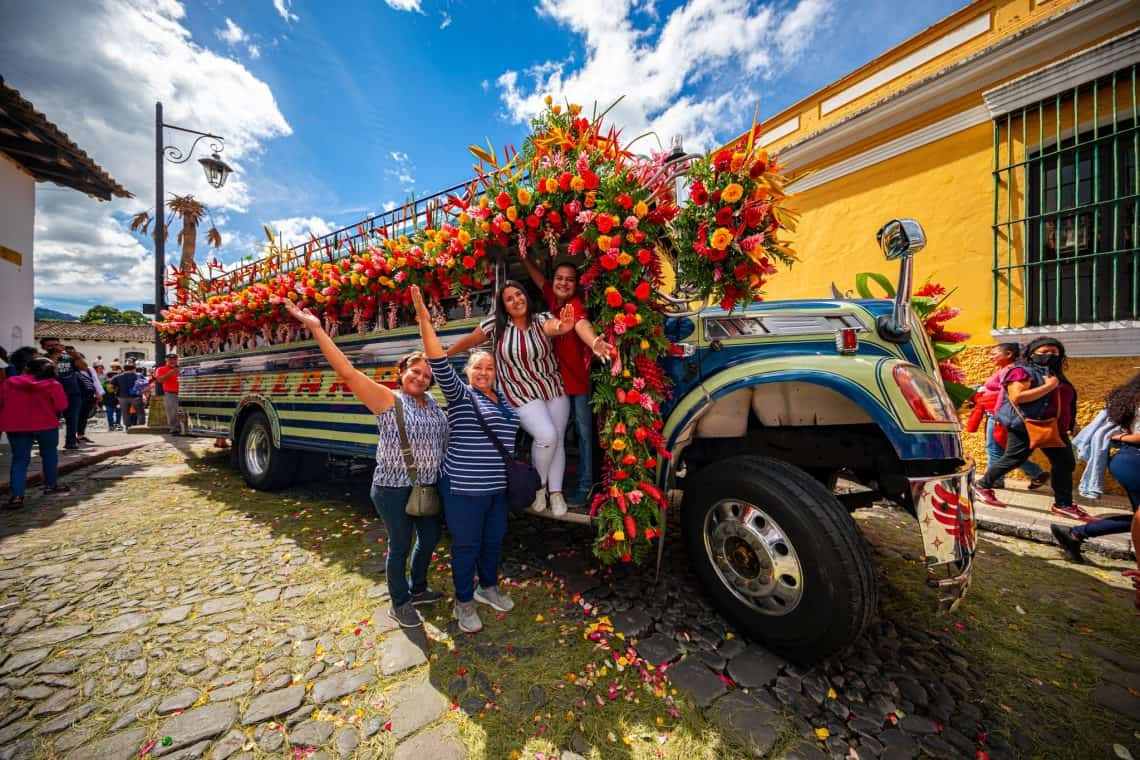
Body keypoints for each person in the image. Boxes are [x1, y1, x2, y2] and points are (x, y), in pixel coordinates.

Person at [282, 298, 447, 629]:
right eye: (415, 371)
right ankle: (399, 602)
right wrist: (316, 327)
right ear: (401, 374)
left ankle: (418, 589)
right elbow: (346, 370)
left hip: (425, 487)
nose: (421, 378)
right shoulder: (388, 399)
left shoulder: (433, 403)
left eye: (427, 375)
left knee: (428, 539)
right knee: (400, 544)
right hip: (392, 488)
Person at [413, 284, 518, 634]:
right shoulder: (461, 397)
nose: (484, 373)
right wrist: (425, 321)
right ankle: (463, 603)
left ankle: (487, 588)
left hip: (496, 491)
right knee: (466, 545)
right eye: (478, 368)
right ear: (468, 374)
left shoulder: (505, 402)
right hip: (463, 489)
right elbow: (438, 361)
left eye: (489, 368)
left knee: (492, 542)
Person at [445, 281, 577, 515]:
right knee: (546, 436)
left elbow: (553, 327)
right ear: (503, 306)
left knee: (557, 440)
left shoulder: (541, 318)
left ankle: (556, 493)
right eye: (509, 298)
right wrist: (443, 356)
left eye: (519, 294)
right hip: (518, 391)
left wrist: (563, 327)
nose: (517, 300)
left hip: (552, 387)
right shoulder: (496, 325)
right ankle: (540, 486)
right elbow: (470, 341)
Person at [517, 254, 614, 507]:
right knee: (552, 435)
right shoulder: (552, 298)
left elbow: (581, 325)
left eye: (570, 280)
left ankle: (585, 487)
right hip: (557, 384)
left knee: (584, 435)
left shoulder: (575, 307)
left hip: (579, 382)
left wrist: (594, 342)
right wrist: (524, 257)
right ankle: (546, 488)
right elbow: (539, 280)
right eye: (559, 278)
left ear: (577, 285)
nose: (563, 283)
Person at [974, 337, 1091, 520]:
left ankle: (1063, 504)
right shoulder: (1023, 371)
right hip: (1028, 425)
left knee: (1065, 462)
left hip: (1054, 427)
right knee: (1014, 457)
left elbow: (1062, 401)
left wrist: (1071, 423)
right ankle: (981, 485)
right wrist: (1048, 386)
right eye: (1043, 352)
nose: (1049, 355)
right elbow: (1018, 396)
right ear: (1031, 353)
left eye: (1054, 352)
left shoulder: (1055, 373)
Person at [1052, 373, 1140, 562]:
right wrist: (1121, 438)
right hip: (1134, 460)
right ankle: (1076, 533)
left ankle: (1076, 534)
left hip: (1129, 458)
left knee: (1138, 517)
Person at [977, 343, 1048, 491]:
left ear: (1008, 354)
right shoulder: (1007, 370)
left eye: (994, 354)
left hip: (999, 416)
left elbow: (1006, 395)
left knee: (995, 449)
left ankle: (994, 481)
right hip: (998, 414)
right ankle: (1035, 472)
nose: (990, 357)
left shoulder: (1010, 371)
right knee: (1006, 451)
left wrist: (998, 413)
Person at [0, 357, 70, 507]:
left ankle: (17, 496)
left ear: (27, 368)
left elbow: (2, 401)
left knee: (19, 460)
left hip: (17, 425)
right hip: (46, 424)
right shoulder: (53, 384)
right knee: (49, 455)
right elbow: (61, 406)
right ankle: (51, 485)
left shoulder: (10, 383)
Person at [39, 337, 86, 450]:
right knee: (51, 419)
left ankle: (71, 442)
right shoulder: (42, 359)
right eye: (50, 346)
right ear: (44, 347)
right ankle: (48, 444)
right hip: (50, 394)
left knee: (73, 418)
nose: (54, 347)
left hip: (72, 392)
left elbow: (84, 368)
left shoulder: (69, 358)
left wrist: (77, 356)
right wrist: (54, 356)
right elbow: (46, 372)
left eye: (56, 344)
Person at [152, 354, 182, 435]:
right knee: (172, 411)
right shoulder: (161, 369)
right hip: (170, 392)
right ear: (166, 360)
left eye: (174, 359)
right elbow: (160, 380)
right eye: (170, 359)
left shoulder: (182, 368)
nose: (172, 361)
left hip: (184, 392)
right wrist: (171, 372)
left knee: (185, 411)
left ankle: (186, 428)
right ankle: (174, 429)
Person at [75, 353, 101, 443]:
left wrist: (99, 393)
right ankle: (72, 436)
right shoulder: (71, 370)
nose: (82, 362)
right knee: (73, 417)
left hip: (88, 396)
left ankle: (80, 435)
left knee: (84, 416)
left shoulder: (89, 370)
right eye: (80, 360)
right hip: (75, 395)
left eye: (82, 359)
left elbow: (95, 381)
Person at [112, 363, 143, 430]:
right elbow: (145, 385)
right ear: (134, 369)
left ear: (124, 369)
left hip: (122, 397)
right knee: (140, 412)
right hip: (136, 397)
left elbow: (110, 387)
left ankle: (127, 427)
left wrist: (115, 392)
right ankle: (141, 426)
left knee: (125, 412)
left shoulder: (117, 377)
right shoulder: (139, 375)